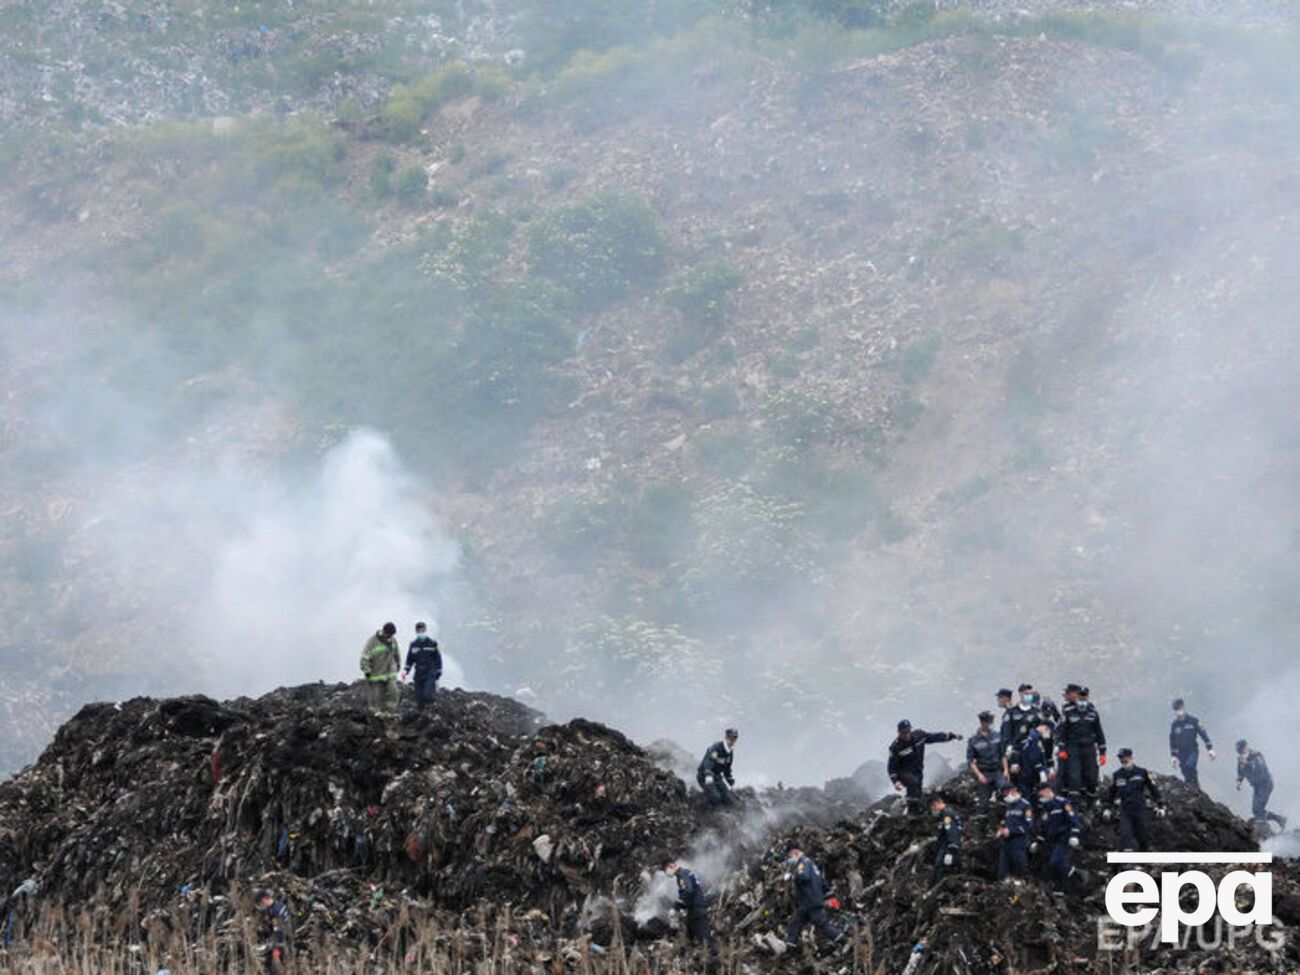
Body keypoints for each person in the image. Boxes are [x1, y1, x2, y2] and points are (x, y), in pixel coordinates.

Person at [889, 720, 963, 815]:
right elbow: (891, 766)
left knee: (917, 791)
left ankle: (916, 812)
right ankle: (912, 814)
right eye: (904, 733)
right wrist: (895, 781)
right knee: (913, 783)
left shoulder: (919, 736)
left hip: (917, 770)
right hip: (903, 772)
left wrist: (952, 736)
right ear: (899, 733)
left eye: (908, 731)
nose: (907, 735)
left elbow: (934, 737)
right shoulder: (895, 747)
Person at [660, 854, 718, 970]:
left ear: (671, 866)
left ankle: (714, 966)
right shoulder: (686, 873)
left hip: (697, 912)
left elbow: (688, 891)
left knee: (705, 940)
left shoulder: (682, 875)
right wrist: (678, 906)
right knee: (690, 938)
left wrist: (676, 907)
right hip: (693, 912)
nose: (666, 873)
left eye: (665, 870)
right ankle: (691, 964)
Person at [783, 844, 843, 952]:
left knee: (820, 925)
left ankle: (843, 940)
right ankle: (790, 948)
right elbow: (824, 884)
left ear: (795, 853)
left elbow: (803, 876)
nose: (789, 859)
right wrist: (831, 899)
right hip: (812, 902)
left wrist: (792, 876)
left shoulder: (803, 863)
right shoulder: (813, 865)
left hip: (808, 903)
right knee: (796, 924)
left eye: (790, 856)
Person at [1105, 748, 1164, 852]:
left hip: (1140, 809)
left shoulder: (1142, 772)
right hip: (1125, 811)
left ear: (1131, 757)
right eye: (1120, 758)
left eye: (1124, 758)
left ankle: (1143, 853)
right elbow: (1111, 793)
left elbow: (1153, 789)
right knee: (1126, 835)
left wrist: (1161, 805)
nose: (1123, 760)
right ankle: (1128, 857)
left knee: (1143, 836)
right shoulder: (1117, 775)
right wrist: (1107, 808)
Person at [1058, 683, 1107, 801]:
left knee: (1091, 776)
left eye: (1084, 697)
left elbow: (1099, 732)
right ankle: (1075, 804)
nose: (1082, 699)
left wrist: (1102, 753)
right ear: (1077, 696)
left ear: (1087, 697)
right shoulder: (1068, 711)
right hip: (1073, 748)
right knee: (1074, 776)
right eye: (1080, 696)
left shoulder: (1092, 712)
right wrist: (1062, 749)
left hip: (1089, 748)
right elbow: (1062, 732)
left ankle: (1090, 802)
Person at [1036, 785, 1082, 897]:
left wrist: (1074, 835)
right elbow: (1044, 826)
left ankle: (1077, 875)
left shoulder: (1062, 803)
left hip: (1064, 837)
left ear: (1047, 791)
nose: (1041, 798)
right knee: (1054, 867)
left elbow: (1073, 819)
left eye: (1042, 795)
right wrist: (1038, 841)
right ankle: (1059, 892)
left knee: (1056, 861)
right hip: (1051, 839)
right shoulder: (1046, 807)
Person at [1236, 740, 1287, 831]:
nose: (1242, 753)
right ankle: (1279, 819)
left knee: (1258, 808)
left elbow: (1260, 768)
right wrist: (1239, 782)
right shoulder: (1241, 760)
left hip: (1265, 784)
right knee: (1255, 810)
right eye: (1240, 752)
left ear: (1246, 747)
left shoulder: (1256, 755)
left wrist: (1247, 763)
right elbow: (1240, 772)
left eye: (1243, 750)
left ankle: (1263, 828)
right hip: (1256, 786)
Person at [1169, 699, 1215, 789]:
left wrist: (1210, 749)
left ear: (1184, 707)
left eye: (1180, 708)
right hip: (1181, 753)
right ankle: (1193, 788)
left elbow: (1203, 734)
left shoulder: (1194, 721)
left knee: (1189, 766)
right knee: (1185, 771)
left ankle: (1194, 786)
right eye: (1176, 710)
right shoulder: (1175, 724)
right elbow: (1172, 741)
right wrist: (1173, 756)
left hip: (1192, 751)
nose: (1179, 711)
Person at [1000, 684, 1043, 779]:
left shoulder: (1036, 712)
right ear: (1020, 694)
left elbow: (1042, 730)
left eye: (1030, 694)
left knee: (1033, 777)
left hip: (1031, 750)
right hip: (1016, 751)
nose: (1029, 696)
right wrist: (1008, 748)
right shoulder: (1012, 712)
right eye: (1026, 694)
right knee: (1016, 777)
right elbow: (1007, 733)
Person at [967, 711, 1005, 817]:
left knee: (1005, 792)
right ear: (983, 722)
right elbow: (970, 761)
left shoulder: (997, 736)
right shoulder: (973, 740)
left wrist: (1006, 771)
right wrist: (979, 775)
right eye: (989, 721)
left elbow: (1002, 755)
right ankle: (982, 822)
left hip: (997, 771)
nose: (991, 724)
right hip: (984, 772)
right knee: (983, 803)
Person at [360, 623, 401, 714]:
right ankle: (376, 713)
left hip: (390, 672)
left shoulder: (393, 640)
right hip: (376, 673)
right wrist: (367, 670)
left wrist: (398, 663)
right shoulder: (372, 642)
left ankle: (390, 712)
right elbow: (364, 658)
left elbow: (396, 653)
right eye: (389, 634)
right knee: (376, 696)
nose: (390, 637)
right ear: (384, 631)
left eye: (391, 635)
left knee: (393, 691)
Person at [997, 784, 1034, 881]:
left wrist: (1012, 831)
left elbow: (1028, 825)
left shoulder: (1025, 805)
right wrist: (1001, 829)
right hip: (1006, 841)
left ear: (1013, 791)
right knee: (1002, 868)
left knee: (1020, 865)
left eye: (1006, 794)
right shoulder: (1009, 806)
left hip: (1019, 841)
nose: (1005, 797)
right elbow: (1006, 821)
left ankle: (1024, 883)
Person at [403, 622, 443, 709]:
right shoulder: (413, 645)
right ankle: (422, 714)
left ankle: (433, 707)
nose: (421, 632)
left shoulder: (433, 644)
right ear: (416, 631)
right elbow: (409, 660)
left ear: (425, 630)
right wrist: (405, 671)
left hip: (430, 673)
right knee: (419, 699)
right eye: (419, 630)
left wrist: (438, 671)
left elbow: (438, 659)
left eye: (422, 630)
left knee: (427, 694)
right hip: (418, 673)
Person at [1008, 722, 1052, 797]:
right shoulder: (1035, 737)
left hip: (1026, 770)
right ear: (1044, 727)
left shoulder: (1030, 736)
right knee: (1031, 795)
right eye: (1048, 730)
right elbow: (1034, 756)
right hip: (1031, 772)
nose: (1048, 733)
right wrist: (1041, 770)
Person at [697, 728, 739, 807]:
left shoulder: (730, 753)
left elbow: (727, 769)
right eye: (731, 739)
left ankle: (726, 813)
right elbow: (709, 761)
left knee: (729, 800)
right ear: (726, 738)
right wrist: (708, 775)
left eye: (734, 739)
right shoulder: (716, 748)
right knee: (715, 798)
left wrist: (731, 783)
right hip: (704, 776)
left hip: (717, 777)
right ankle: (699, 807)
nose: (732, 742)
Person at [254, 889, 291, 969]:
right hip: (280, 940)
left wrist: (274, 949)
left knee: (274, 962)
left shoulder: (276, 909)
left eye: (260, 903)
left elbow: (281, 931)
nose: (261, 905)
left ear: (264, 899)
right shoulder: (273, 907)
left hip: (283, 942)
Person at [930, 795, 962, 884]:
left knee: (942, 868)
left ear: (937, 804)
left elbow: (953, 832)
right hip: (945, 845)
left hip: (948, 847)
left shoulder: (947, 814)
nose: (933, 810)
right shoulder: (944, 814)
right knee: (940, 867)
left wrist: (951, 851)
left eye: (933, 807)